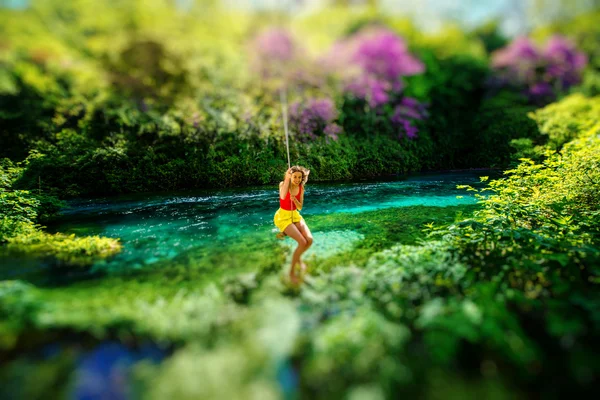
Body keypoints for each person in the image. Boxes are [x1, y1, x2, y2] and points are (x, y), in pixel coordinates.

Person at [273, 166, 313, 284]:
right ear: (290, 176)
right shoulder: (283, 184)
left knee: (309, 240)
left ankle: (298, 258)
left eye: (299, 177)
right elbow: (283, 196)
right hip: (284, 217)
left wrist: (295, 200)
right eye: (294, 177)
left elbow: (300, 207)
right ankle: (291, 272)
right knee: (302, 242)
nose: (297, 179)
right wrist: (287, 179)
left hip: (295, 215)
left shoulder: (301, 187)